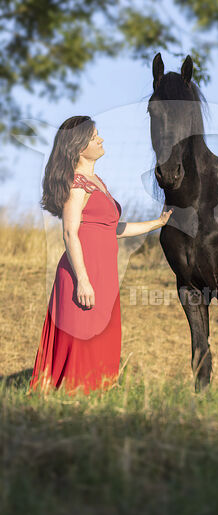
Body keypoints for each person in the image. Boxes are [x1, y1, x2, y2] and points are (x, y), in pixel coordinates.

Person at [29, 115, 172, 395]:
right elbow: (70, 233)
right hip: (82, 274)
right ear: (79, 146)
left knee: (102, 339)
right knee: (82, 341)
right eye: (95, 136)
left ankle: (94, 397)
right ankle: (68, 399)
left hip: (104, 274)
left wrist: (157, 223)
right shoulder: (76, 184)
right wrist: (82, 280)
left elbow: (111, 228)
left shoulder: (97, 181)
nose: (101, 139)